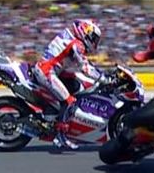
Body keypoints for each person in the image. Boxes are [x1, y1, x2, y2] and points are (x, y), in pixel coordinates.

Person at [32, 18, 103, 150]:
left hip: (52, 69)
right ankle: (60, 136)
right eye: (93, 38)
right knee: (69, 101)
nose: (94, 42)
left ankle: (54, 114)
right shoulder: (76, 44)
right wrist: (103, 78)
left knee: (76, 85)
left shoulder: (70, 37)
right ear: (85, 32)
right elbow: (85, 67)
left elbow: (73, 62)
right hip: (47, 72)